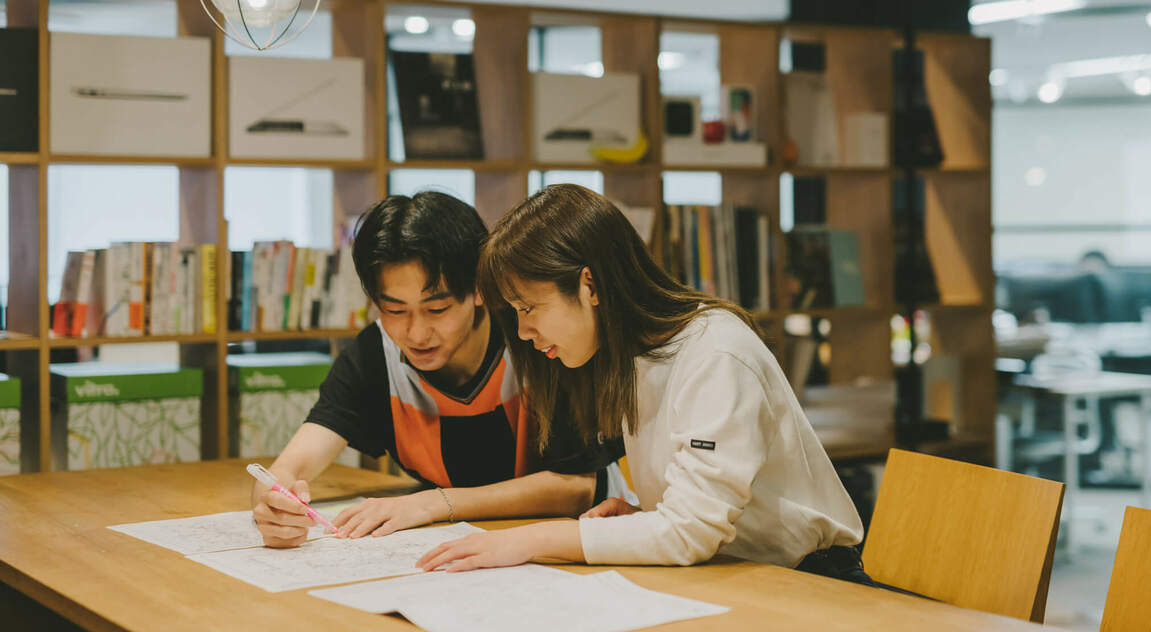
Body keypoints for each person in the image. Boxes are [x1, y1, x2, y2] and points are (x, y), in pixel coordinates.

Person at [415, 184, 866, 581]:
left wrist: (534, 539)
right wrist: (642, 520)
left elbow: (691, 532)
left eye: (529, 308)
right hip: (733, 571)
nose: (524, 331)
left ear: (589, 284)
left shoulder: (715, 352)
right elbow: (695, 521)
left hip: (812, 579)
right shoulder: (630, 357)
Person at [251, 191, 623, 547]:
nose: (415, 333)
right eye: (394, 310)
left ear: (479, 289)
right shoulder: (374, 355)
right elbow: (291, 465)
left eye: (437, 309)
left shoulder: (538, 338)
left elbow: (576, 487)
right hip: (458, 545)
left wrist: (432, 503)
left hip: (582, 539)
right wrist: (275, 501)